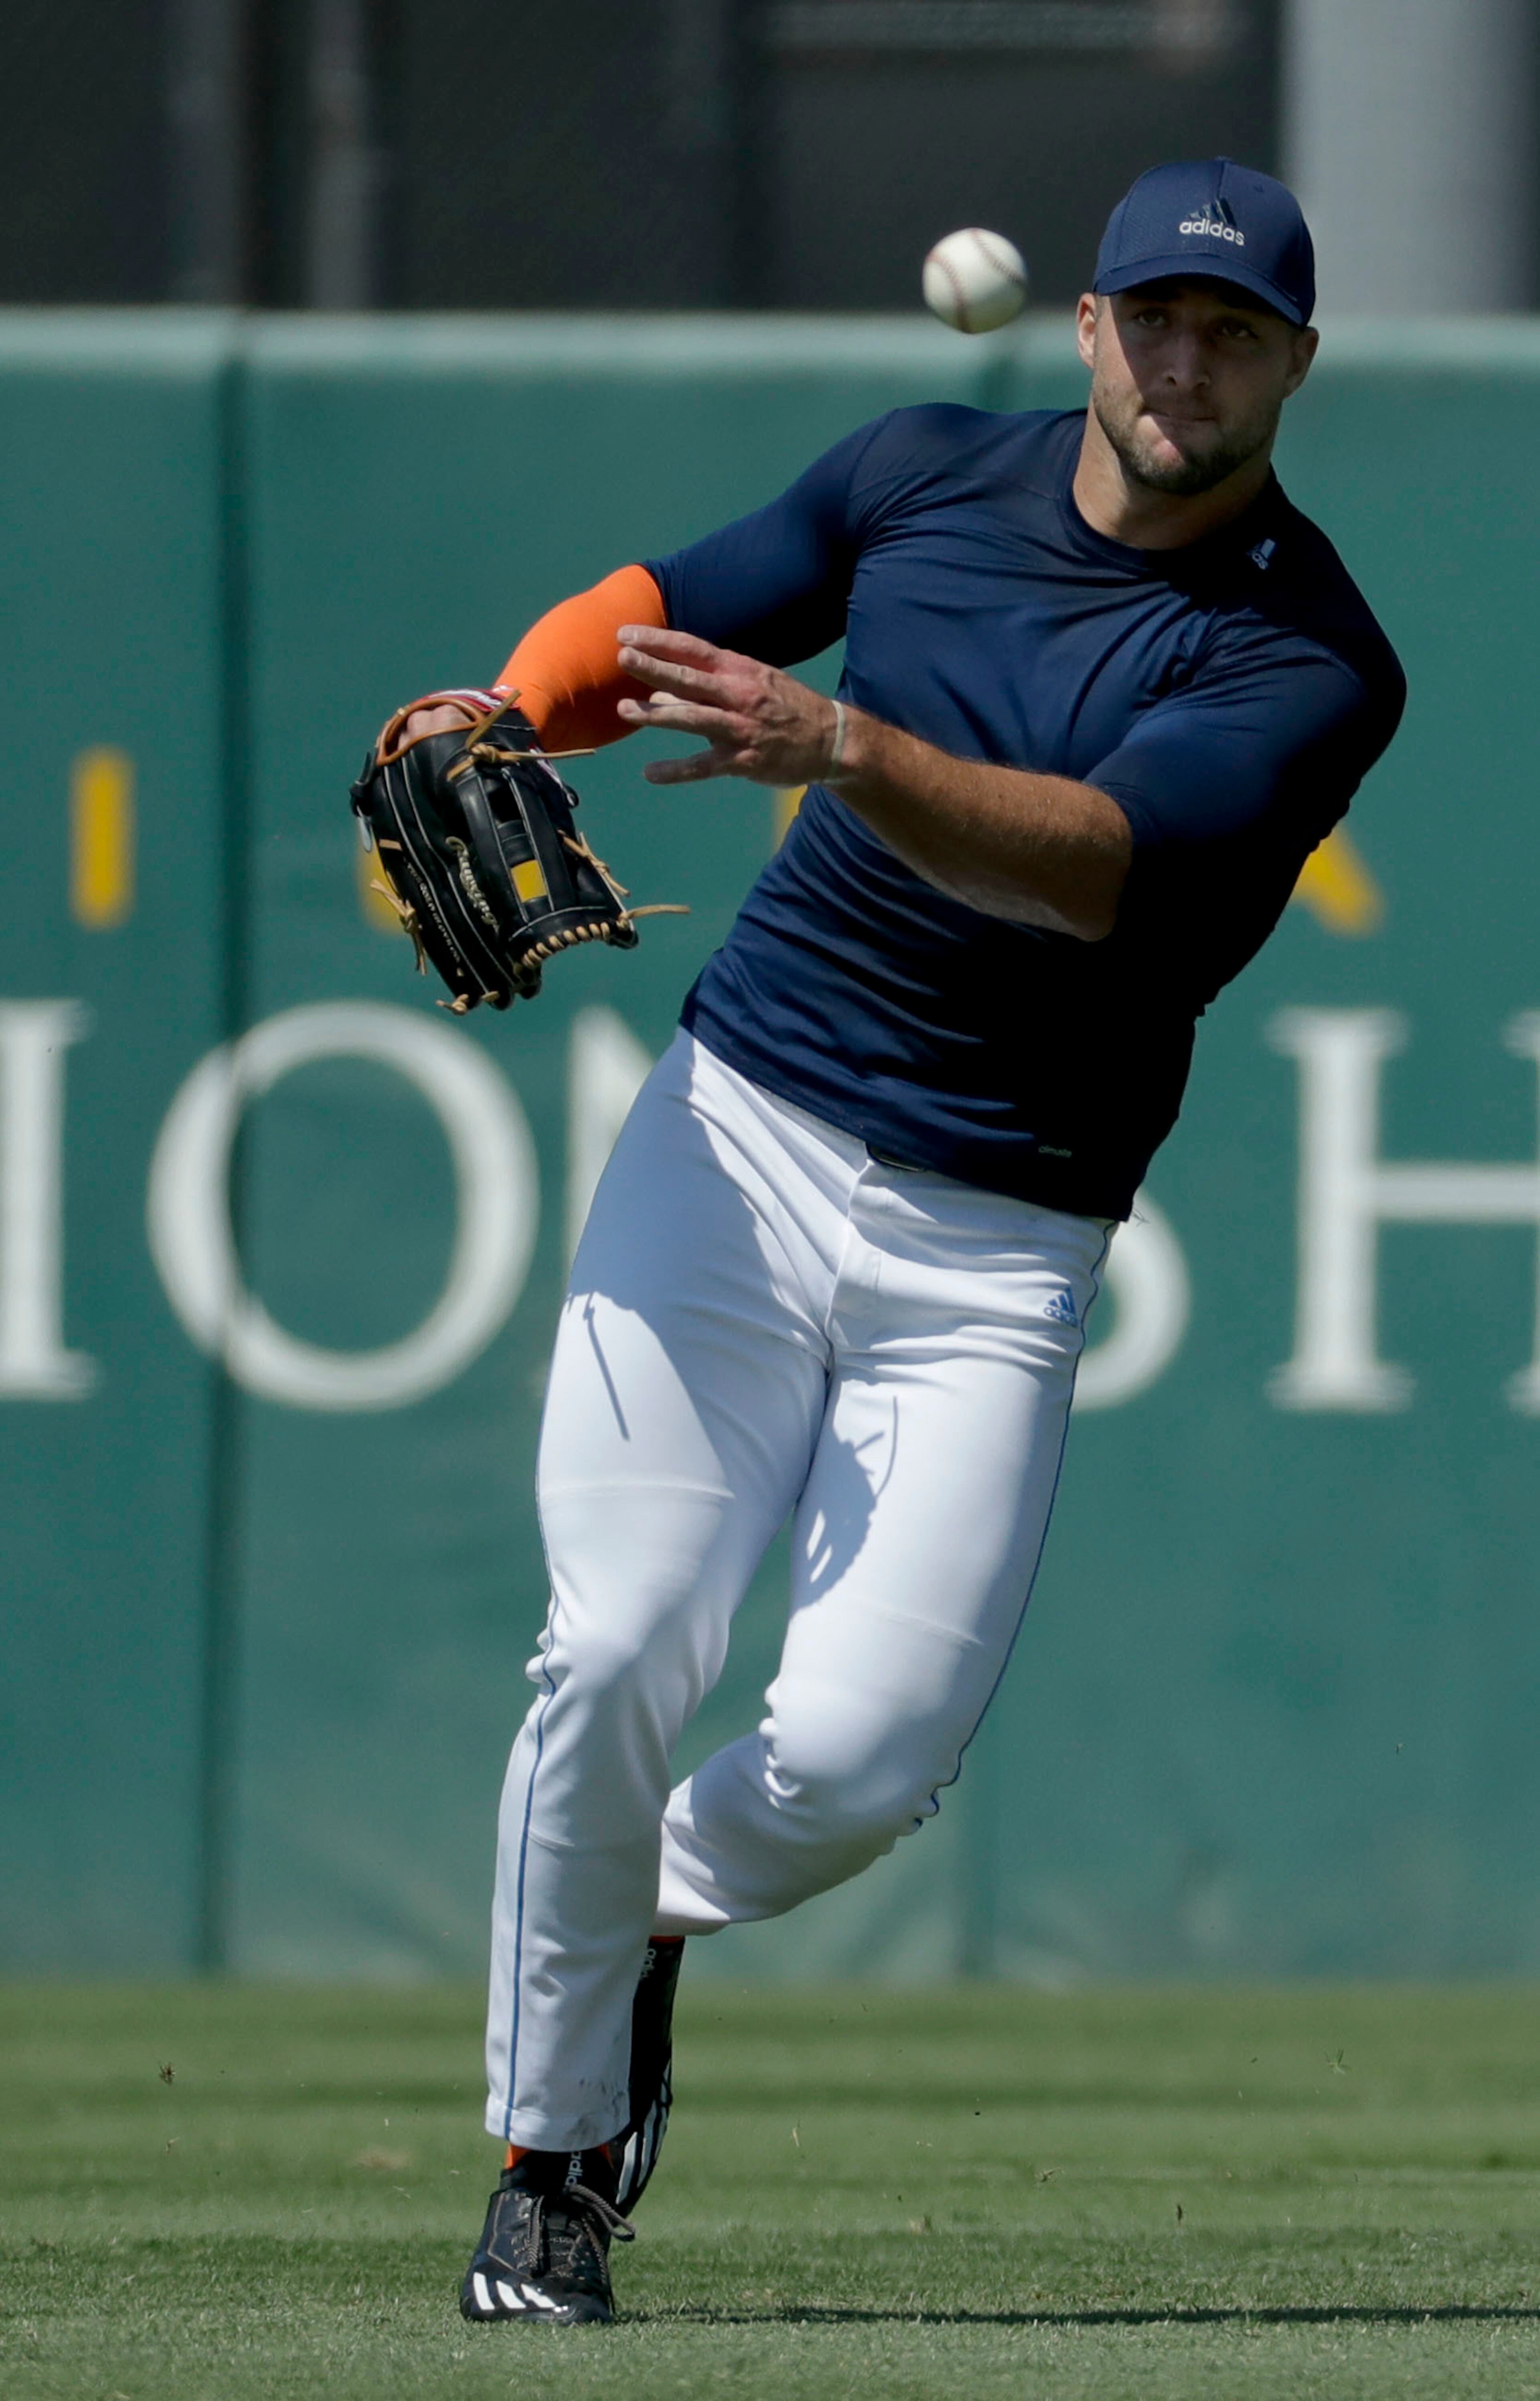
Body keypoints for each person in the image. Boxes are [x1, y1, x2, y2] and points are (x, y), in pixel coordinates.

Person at [426, 158, 1405, 2326]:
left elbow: (1106, 873)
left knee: (861, 1762)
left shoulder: (1317, 655)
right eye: (1155, 315)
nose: (1186, 360)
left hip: (998, 1238)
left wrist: (843, 740)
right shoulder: (919, 478)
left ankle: (643, 1911)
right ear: (1085, 326)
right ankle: (547, 2166)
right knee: (613, 1646)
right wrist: (505, 704)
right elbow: (658, 616)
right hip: (739, 1137)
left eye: (1235, 333)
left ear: (1295, 371)